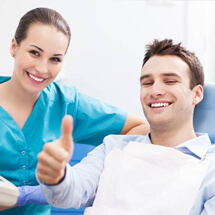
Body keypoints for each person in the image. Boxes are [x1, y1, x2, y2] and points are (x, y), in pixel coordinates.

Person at [37, 39, 215, 215]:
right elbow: (72, 191)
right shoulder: (113, 148)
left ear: (197, 94)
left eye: (170, 81)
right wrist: (57, 176)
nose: (155, 91)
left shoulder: (211, 169)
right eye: (147, 83)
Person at [0, 7, 150, 215]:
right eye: (34, 53)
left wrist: (90, 171)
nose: (43, 69)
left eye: (55, 59)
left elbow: (140, 127)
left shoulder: (67, 103)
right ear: (14, 47)